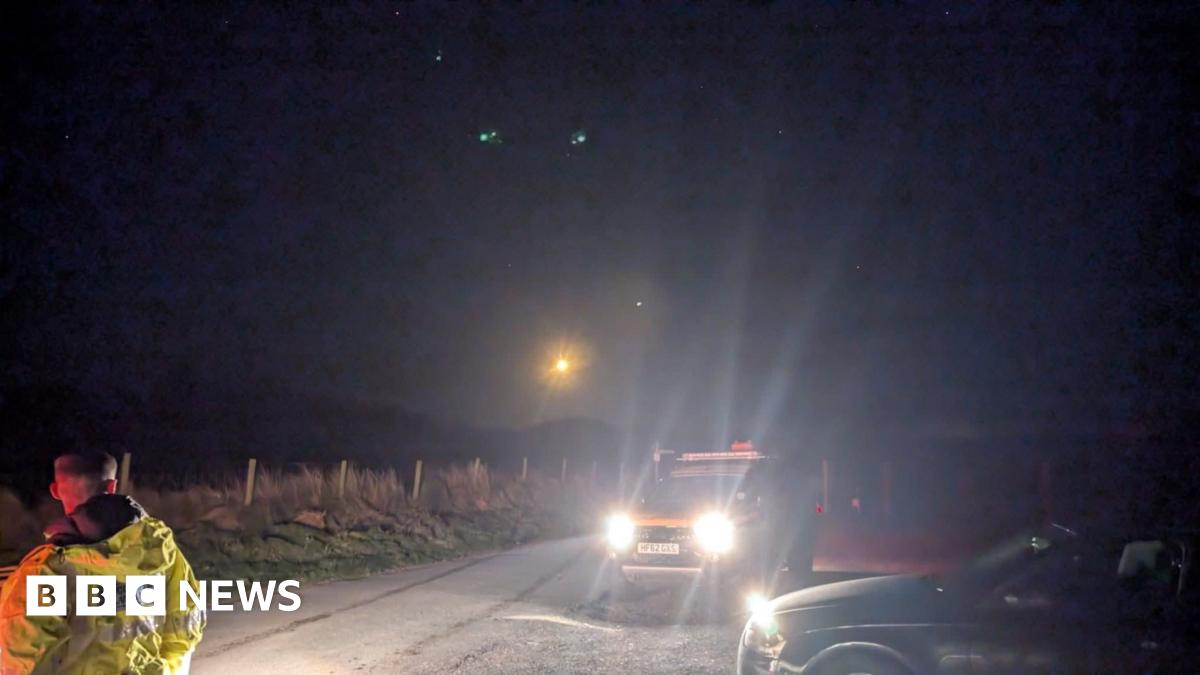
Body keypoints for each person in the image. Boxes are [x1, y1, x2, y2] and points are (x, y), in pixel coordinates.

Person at [0, 451, 205, 674]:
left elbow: (22, 661)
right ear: (111, 486)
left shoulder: (46, 572)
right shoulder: (163, 552)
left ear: (55, 491)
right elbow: (185, 629)